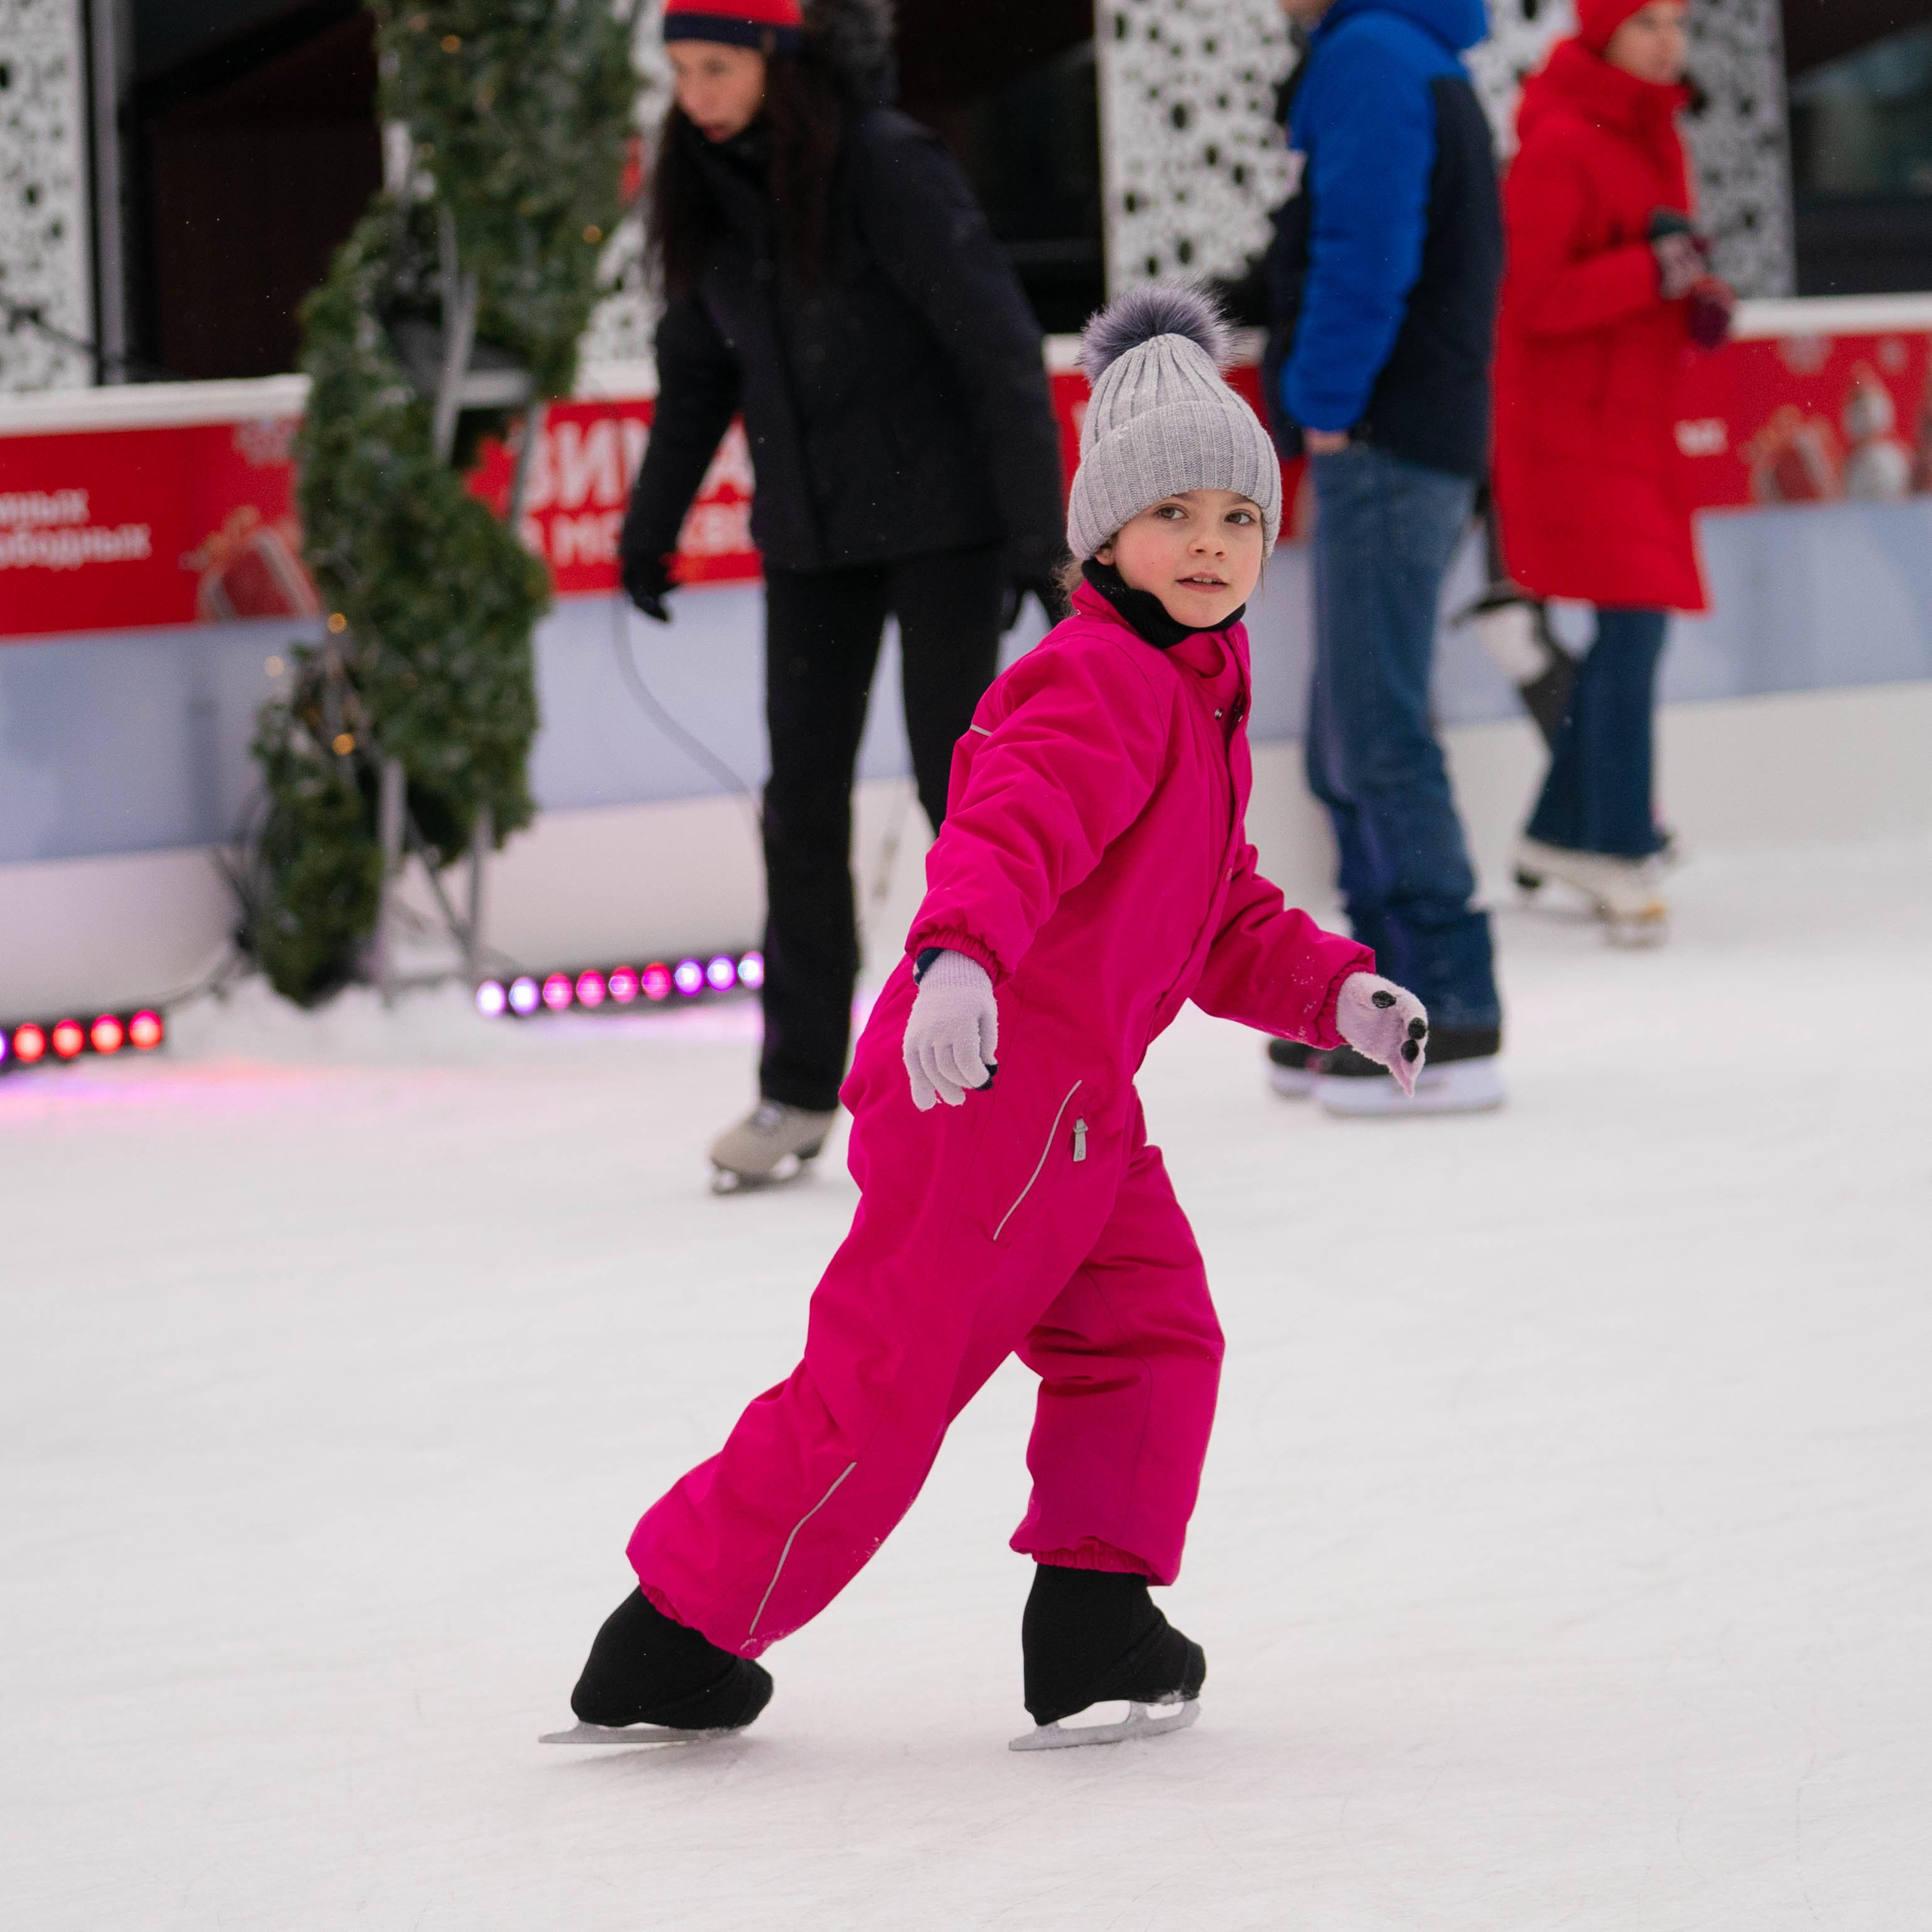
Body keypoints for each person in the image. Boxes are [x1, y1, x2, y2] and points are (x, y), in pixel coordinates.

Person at [561, 289, 1432, 1749]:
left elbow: (1215, 912)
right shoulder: (1099, 676)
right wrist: (957, 956)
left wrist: (1334, 987)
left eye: (1237, 514)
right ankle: (673, 1632)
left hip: (1080, 1107)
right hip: (990, 1091)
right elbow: (1007, 825)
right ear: (1103, 540)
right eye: (1174, 514)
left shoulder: (1196, 689)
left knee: (1155, 1336)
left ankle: (1092, 1616)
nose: (1211, 542)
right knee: (884, 1390)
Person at [618, 0, 1069, 1188]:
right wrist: (650, 526)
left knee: (960, 793)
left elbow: (996, 344)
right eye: (679, 71)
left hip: (944, 529)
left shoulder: (883, 164)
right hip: (814, 540)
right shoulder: (706, 183)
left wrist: (1040, 538)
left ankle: (1023, 1059)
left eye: (715, 67)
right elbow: (698, 367)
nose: (695, 94)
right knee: (801, 806)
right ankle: (797, 1088)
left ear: (776, 61)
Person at [1260, 0, 1506, 1115]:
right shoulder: (1396, 56)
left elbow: (1368, 251)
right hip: (1406, 433)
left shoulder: (1370, 59)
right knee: (1351, 730)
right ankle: (1379, 1000)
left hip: (1389, 437)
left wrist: (1322, 404)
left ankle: (1444, 1011)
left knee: (1378, 734)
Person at [1492, 0, 1732, 945]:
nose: (1668, 41)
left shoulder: (1653, 136)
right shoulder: (1560, 142)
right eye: (1646, 23)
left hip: (1631, 421)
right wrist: (1654, 270)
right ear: (1602, 33)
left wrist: (1692, 287)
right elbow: (1537, 296)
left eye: (1676, 21)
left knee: (1634, 628)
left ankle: (1563, 830)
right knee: (1633, 626)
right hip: (1571, 428)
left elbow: (1650, 256)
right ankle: (1615, 838)